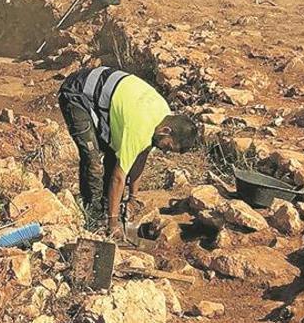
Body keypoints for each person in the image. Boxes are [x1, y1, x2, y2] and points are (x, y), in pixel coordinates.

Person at [58, 66, 199, 236]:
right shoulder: (141, 128)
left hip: (103, 93)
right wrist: (113, 223)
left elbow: (139, 158)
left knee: (113, 155)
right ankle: (94, 217)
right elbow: (119, 178)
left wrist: (133, 198)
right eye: (169, 147)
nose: (165, 152)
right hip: (77, 93)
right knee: (93, 160)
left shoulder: (163, 116)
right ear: (166, 131)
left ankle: (106, 207)